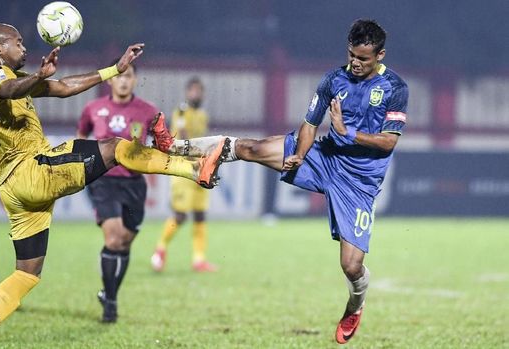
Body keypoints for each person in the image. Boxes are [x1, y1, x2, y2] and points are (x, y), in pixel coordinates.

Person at [0, 23, 230, 349]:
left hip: (14, 189)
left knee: (27, 273)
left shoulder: (19, 80)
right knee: (116, 147)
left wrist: (114, 68)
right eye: (18, 42)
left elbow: (65, 86)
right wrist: (38, 76)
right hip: (31, 171)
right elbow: (9, 90)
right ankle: (195, 167)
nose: (24, 48)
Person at [150, 19, 408, 344]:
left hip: (359, 182)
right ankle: (175, 146)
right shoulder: (334, 79)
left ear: (380, 55)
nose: (355, 63)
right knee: (252, 148)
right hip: (324, 157)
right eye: (352, 55)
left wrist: (348, 132)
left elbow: (389, 142)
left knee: (352, 266)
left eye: (364, 58)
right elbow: (310, 124)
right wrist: (300, 154)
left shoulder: (395, 89)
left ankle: (355, 307)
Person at [76, 59, 158, 323]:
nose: (123, 80)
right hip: (104, 181)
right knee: (113, 239)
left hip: (134, 183)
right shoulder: (93, 109)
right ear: (111, 79)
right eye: (119, 76)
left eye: (129, 76)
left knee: (125, 241)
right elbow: (81, 136)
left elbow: (160, 143)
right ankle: (110, 303)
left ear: (135, 80)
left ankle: (110, 293)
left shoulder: (148, 111)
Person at [151, 77, 217, 272]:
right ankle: (160, 249)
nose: (196, 94)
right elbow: (182, 132)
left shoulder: (203, 115)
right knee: (180, 215)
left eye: (199, 91)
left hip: (200, 167)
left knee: (200, 214)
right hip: (182, 169)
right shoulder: (181, 110)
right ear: (187, 92)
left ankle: (199, 259)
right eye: (193, 90)